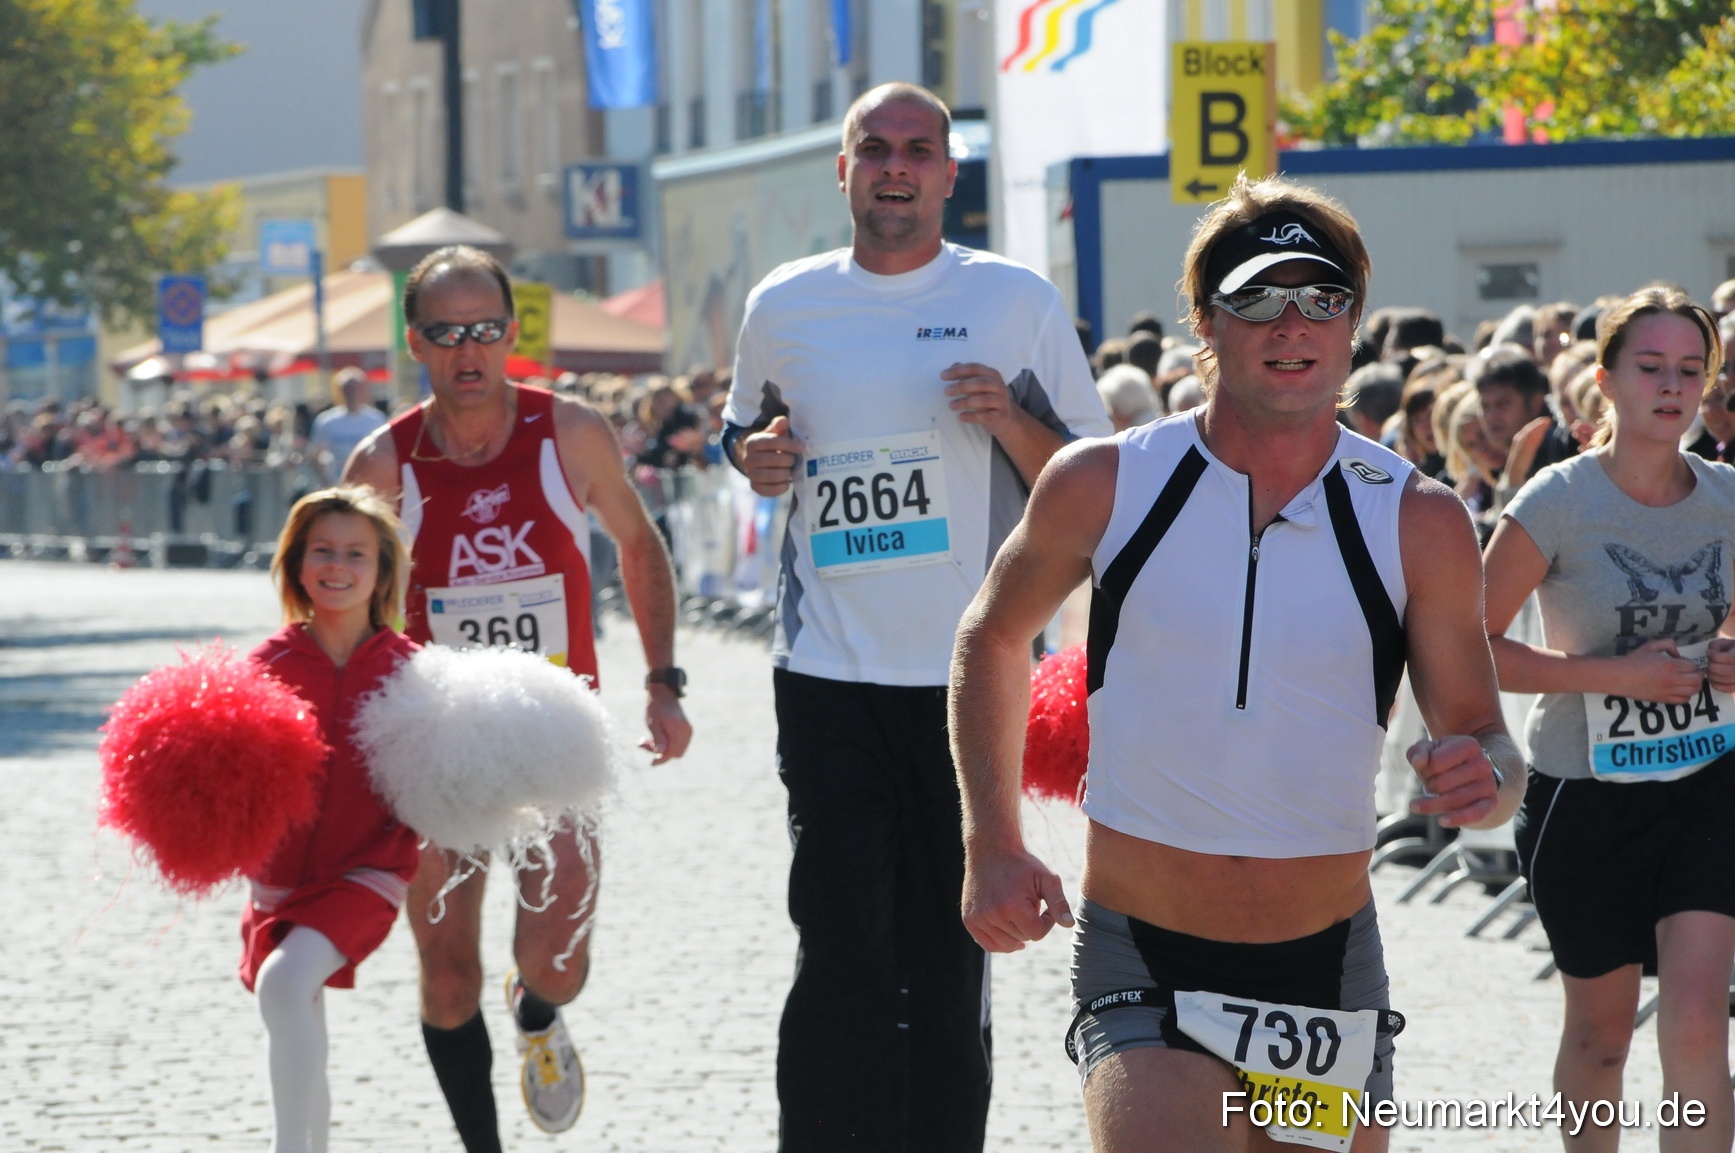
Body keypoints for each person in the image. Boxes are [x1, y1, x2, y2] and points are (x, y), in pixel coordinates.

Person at [948, 174, 1524, 1153]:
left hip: (1325, 967)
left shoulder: (1417, 517)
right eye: (1258, 297)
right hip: (1145, 955)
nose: (1291, 323)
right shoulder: (1104, 480)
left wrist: (1486, 783)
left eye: (1321, 298)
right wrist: (991, 841)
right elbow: (991, 638)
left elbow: (1487, 743)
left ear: (1352, 325)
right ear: (1206, 325)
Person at [720, 81, 1112, 1151]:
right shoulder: (783, 304)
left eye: (918, 149)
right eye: (874, 148)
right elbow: (743, 434)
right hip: (826, 674)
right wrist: (753, 458)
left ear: (949, 172)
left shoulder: (1015, 299)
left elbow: (1090, 481)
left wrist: (1010, 418)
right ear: (843, 170)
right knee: (840, 943)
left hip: (968, 681)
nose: (896, 166)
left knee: (951, 952)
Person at [345, 244, 692, 1150]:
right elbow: (339, 600)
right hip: (436, 747)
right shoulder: (383, 464)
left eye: (488, 331)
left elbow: (637, 541)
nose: (470, 351)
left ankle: (538, 1011)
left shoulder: (569, 431)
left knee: (556, 958)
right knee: (446, 973)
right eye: (449, 333)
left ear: (512, 336)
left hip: (554, 735)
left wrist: (662, 680)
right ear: (416, 341)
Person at [1485, 285, 1735, 1153]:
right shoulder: (1557, 500)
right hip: (1584, 791)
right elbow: (1469, 649)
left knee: (1700, 1020)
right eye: (1650, 368)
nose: (1671, 387)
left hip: (1709, 781)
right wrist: (1611, 673)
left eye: (1690, 371)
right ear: (1605, 379)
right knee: (1603, 1035)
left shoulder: (1729, 497)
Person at [244, 485, 421, 1153]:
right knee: (296, 1009)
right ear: (295, 562)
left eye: (357, 553)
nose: (338, 565)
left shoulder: (412, 672)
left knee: (284, 985)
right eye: (322, 550)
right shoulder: (264, 666)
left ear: (382, 572)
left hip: (369, 868)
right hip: (277, 874)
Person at [308, 368, 386, 484]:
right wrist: (325, 480)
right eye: (348, 389)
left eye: (355, 388)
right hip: (337, 482)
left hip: (367, 483)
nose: (352, 393)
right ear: (341, 391)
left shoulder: (376, 419)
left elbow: (385, 453)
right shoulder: (327, 420)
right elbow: (315, 453)